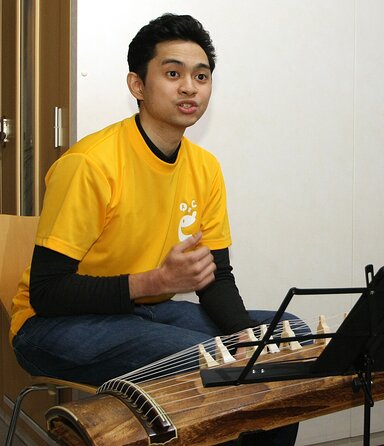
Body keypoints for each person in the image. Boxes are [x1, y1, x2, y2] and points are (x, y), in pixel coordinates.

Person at [9, 13, 299, 446]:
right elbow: (47, 294)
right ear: (137, 86)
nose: (189, 87)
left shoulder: (205, 167)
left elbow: (216, 276)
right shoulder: (91, 164)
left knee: (286, 337)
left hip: (144, 313)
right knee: (197, 360)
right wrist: (157, 281)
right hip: (53, 325)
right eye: (172, 73)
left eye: (201, 76)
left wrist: (246, 340)